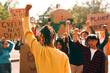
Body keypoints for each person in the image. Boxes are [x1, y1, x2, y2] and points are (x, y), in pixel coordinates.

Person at [22, 4, 71, 73]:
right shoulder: (63, 56)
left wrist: (26, 11)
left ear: (42, 38)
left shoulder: (39, 50)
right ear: (54, 37)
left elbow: (27, 32)